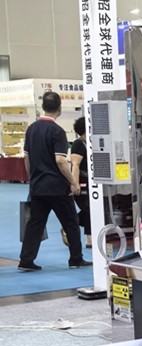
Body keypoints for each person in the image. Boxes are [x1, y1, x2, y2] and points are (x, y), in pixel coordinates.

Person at [18, 91, 91, 271]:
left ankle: (26, 260)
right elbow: (60, 160)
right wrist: (73, 182)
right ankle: (75, 258)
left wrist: (32, 178)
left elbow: (26, 158)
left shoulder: (31, 129)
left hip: (38, 186)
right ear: (59, 108)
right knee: (71, 222)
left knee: (35, 224)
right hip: (57, 187)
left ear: (43, 107)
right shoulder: (57, 131)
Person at [69, 116, 91, 248]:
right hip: (82, 182)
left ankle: (69, 226)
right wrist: (75, 183)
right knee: (88, 209)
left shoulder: (90, 143)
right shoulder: (78, 144)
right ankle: (89, 238)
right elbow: (75, 165)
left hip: (91, 183)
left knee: (89, 209)